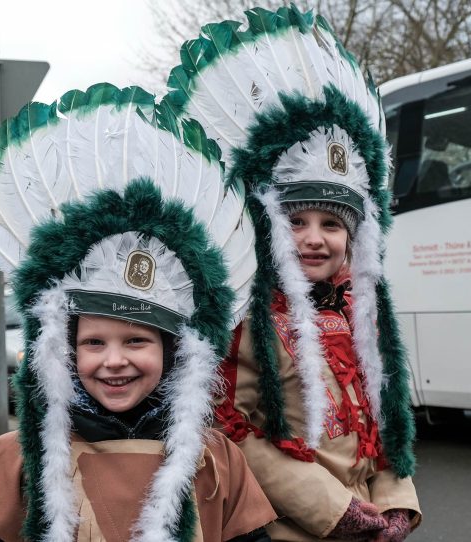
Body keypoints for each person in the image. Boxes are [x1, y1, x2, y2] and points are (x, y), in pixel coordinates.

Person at [0, 83, 275, 542]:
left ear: (173, 351)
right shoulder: (22, 460)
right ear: (65, 352)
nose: (114, 360)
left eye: (136, 340)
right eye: (94, 342)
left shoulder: (217, 461)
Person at [160, 5, 421, 540]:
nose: (314, 237)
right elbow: (229, 434)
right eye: (295, 220)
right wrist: (332, 509)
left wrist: (396, 502)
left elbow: (384, 422)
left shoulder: (361, 311)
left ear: (353, 235)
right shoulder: (245, 317)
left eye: (331, 223)